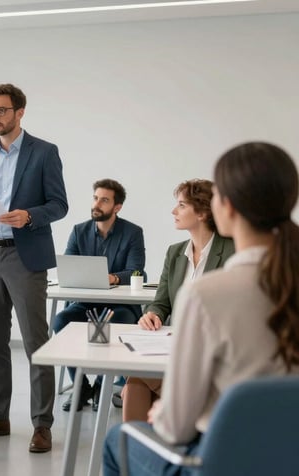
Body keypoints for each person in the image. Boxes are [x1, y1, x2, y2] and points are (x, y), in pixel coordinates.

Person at [103, 142, 299, 476]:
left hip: (218, 463)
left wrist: (163, 414)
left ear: (228, 207)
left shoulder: (207, 294)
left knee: (115, 440)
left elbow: (175, 429)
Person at [0, 83, 68, 454]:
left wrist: (29, 216)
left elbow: (59, 204)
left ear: (20, 112)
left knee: (37, 344)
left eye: (2, 110)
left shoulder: (44, 153)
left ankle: (42, 425)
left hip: (25, 258)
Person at [121, 179, 235, 422]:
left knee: (136, 380)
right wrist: (153, 314)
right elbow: (161, 301)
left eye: (181, 205)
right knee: (134, 380)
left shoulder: (231, 250)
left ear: (203, 212)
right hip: (172, 347)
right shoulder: (175, 252)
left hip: (210, 353)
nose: (174, 211)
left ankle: (143, 444)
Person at [52, 178, 146, 413]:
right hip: (86, 304)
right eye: (95, 198)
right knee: (61, 320)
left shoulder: (133, 232)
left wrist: (112, 278)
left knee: (116, 323)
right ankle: (82, 386)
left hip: (121, 306)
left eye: (104, 200)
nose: (97, 203)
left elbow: (137, 270)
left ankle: (102, 386)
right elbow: (69, 266)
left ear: (117, 207)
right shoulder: (79, 231)